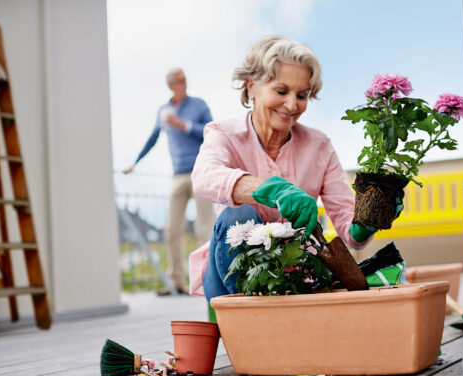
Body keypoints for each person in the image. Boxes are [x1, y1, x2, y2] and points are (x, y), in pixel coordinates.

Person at [188, 36, 387, 302]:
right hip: (230, 274)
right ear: (252, 87)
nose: (292, 105)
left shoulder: (319, 146)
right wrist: (269, 189)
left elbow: (346, 222)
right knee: (238, 216)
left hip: (297, 276)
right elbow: (203, 177)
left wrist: (367, 221)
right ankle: (252, 325)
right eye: (281, 91)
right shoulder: (224, 133)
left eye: (302, 95)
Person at [125, 68, 215, 293]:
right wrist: (135, 163)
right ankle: (176, 281)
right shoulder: (163, 112)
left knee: (205, 228)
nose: (184, 82)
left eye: (185, 78)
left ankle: (210, 280)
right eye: (179, 80)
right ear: (171, 85)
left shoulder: (199, 105)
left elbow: (211, 132)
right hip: (178, 176)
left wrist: (183, 125)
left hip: (200, 172)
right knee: (172, 230)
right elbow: (152, 139)